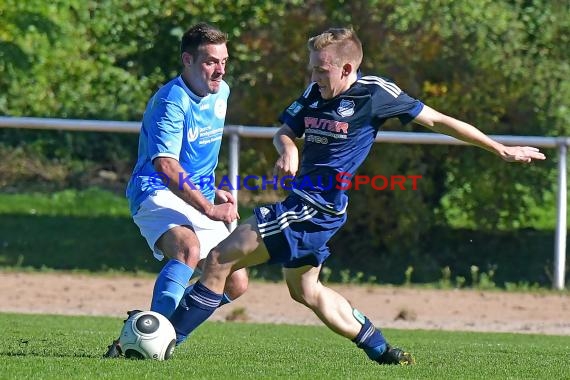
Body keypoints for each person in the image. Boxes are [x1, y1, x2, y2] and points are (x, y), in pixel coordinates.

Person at [168, 27, 546, 365]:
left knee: (218, 259)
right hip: (308, 205)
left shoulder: (375, 94)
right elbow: (284, 130)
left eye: (321, 69)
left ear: (347, 69)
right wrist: (288, 148)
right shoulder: (314, 92)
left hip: (314, 207)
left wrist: (499, 148)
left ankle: (165, 339)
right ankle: (382, 351)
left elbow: (440, 121)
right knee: (307, 291)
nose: (314, 76)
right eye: (312, 67)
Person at [103, 22, 249, 358]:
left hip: (192, 193)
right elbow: (166, 166)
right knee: (188, 248)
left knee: (234, 282)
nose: (220, 70)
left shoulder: (221, 93)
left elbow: (196, 157)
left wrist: (212, 190)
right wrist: (209, 208)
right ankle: (154, 343)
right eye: (211, 61)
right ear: (187, 60)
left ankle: (150, 333)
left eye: (224, 61)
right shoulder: (171, 100)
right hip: (154, 190)